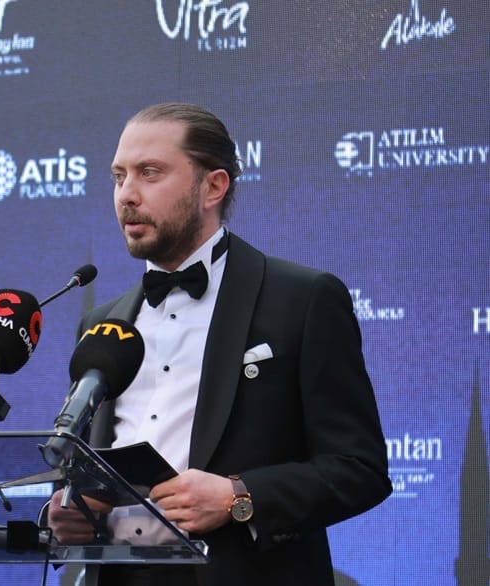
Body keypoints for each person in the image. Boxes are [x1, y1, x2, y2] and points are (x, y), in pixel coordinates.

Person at [46, 103, 391, 585]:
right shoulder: (101, 323)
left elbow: (359, 470)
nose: (127, 194)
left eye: (150, 173)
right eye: (118, 176)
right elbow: (86, 471)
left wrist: (238, 497)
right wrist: (69, 512)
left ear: (213, 186)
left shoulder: (303, 299)